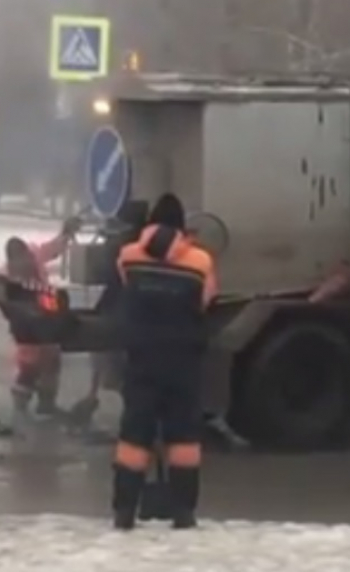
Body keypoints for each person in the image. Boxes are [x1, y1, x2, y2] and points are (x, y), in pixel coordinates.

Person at [110, 193, 218, 531]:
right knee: (183, 437)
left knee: (133, 437)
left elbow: (126, 289)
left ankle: (125, 511)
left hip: (141, 357)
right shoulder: (200, 262)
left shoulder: (128, 256)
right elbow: (206, 301)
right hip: (182, 359)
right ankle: (183, 511)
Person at [2, 216, 82, 417]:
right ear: (12, 262)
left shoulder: (36, 255)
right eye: (20, 261)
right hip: (26, 325)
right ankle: (19, 409)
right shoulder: (5, 277)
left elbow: (53, 248)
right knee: (29, 366)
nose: (25, 263)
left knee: (51, 362)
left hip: (47, 320)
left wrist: (66, 233)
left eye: (26, 258)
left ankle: (47, 404)